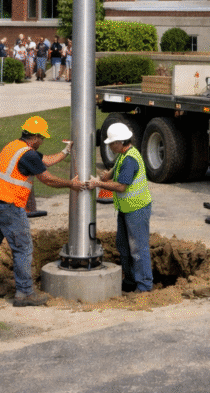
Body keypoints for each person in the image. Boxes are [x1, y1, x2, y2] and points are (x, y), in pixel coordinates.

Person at [0, 116, 85, 306]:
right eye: (42, 138)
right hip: (9, 206)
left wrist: (65, 152)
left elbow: (44, 160)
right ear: (36, 137)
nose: (43, 141)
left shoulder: (14, 147)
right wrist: (71, 184)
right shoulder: (28, 154)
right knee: (23, 248)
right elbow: (47, 179)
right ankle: (25, 293)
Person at [88, 122, 153, 293]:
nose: (109, 146)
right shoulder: (123, 156)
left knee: (138, 248)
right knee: (123, 246)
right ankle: (131, 280)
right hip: (127, 209)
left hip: (137, 209)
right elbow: (115, 171)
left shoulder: (130, 159)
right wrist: (107, 176)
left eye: (111, 143)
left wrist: (98, 184)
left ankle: (144, 285)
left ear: (120, 142)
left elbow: (121, 187)